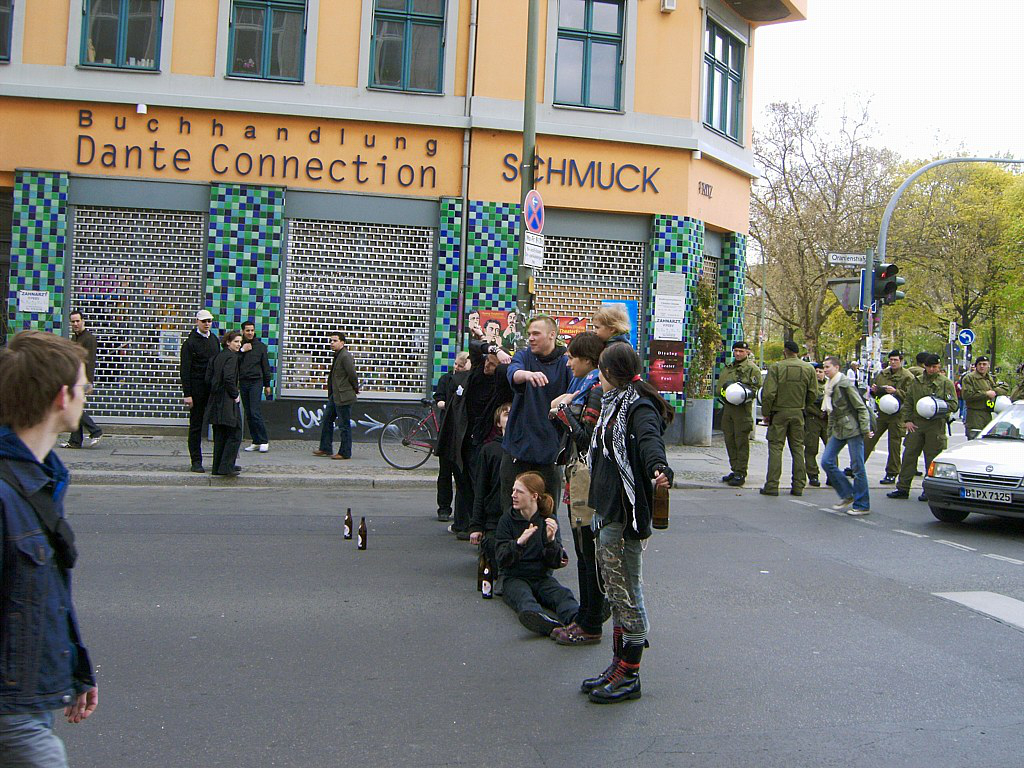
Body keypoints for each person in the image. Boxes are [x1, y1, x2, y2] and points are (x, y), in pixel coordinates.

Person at [0, 331, 98, 765]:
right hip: (10, 716)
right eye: (82, 384)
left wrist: (76, 672)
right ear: (62, 397)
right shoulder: (6, 494)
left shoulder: (41, 480)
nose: (87, 391)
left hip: (33, 702)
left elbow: (43, 597)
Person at [580, 342, 673, 704]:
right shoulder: (613, 403)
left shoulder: (637, 405)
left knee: (626, 592)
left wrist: (658, 468)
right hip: (606, 508)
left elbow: (651, 442)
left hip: (624, 512)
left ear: (609, 372)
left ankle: (629, 673)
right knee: (615, 590)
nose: (596, 377)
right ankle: (618, 663)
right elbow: (599, 447)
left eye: (599, 370)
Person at [548, 331, 606, 646]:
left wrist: (564, 411)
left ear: (588, 360)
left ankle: (591, 621)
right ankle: (587, 616)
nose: (568, 363)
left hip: (587, 481)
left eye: (572, 357)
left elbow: (585, 438)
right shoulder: (584, 388)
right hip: (579, 477)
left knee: (588, 553)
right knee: (585, 552)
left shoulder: (594, 391)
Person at [500, 316, 572, 512]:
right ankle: (511, 542)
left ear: (552, 335)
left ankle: (548, 542)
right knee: (511, 507)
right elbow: (513, 372)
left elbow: (576, 392)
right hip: (518, 447)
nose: (530, 338)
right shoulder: (524, 357)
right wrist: (527, 375)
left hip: (549, 450)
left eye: (536, 334)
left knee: (546, 510)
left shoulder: (566, 363)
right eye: (529, 334)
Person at [494, 472, 578, 636]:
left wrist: (550, 540)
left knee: (562, 595)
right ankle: (540, 621)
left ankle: (578, 618)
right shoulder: (507, 520)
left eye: (519, 492)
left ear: (534, 496)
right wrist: (518, 543)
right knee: (523, 598)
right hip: (514, 577)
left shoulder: (548, 519)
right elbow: (501, 559)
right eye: (513, 491)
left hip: (541, 576)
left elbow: (555, 562)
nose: (513, 495)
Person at [887, 354, 958, 502]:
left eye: (936, 367)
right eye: (930, 366)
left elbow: (953, 405)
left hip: (935, 424)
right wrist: (906, 420)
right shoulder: (916, 382)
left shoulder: (945, 383)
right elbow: (908, 402)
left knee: (932, 458)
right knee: (909, 456)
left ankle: (929, 490)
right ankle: (903, 488)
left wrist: (937, 406)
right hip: (916, 424)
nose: (933, 369)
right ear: (925, 366)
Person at [760, 340, 816, 496]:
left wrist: (766, 412)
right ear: (797, 352)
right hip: (798, 412)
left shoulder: (777, 367)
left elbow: (769, 393)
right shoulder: (808, 368)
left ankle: (772, 485)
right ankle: (798, 486)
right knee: (798, 448)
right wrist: (803, 405)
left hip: (779, 413)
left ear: (785, 351)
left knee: (776, 448)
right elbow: (813, 393)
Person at [818, 356, 873, 515]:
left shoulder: (844, 384)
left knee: (857, 466)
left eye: (828, 367)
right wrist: (830, 434)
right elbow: (831, 413)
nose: (825, 369)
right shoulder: (829, 386)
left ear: (837, 367)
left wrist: (864, 429)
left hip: (853, 428)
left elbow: (861, 407)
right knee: (827, 461)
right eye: (824, 367)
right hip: (838, 429)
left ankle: (862, 504)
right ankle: (847, 493)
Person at [469, 403, 512, 570]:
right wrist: (476, 526)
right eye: (506, 414)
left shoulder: (525, 449)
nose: (511, 417)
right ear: (498, 422)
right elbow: (480, 489)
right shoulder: (489, 450)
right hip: (493, 518)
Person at [864, 349, 915, 483]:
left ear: (901, 361)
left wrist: (896, 392)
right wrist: (875, 391)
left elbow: (911, 396)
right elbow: (874, 392)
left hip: (898, 414)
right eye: (891, 360)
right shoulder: (882, 374)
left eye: (896, 360)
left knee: (894, 444)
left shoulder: (907, 376)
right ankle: (857, 465)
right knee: (869, 437)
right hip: (882, 412)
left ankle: (892, 472)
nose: (893, 362)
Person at [180, 309, 222, 473]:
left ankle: (220, 461)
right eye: (204, 321)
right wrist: (187, 394)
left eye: (209, 321)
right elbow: (185, 370)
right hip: (197, 389)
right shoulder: (190, 343)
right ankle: (196, 461)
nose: (207, 324)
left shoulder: (213, 340)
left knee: (218, 425)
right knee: (196, 425)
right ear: (197, 321)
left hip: (212, 388)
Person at [717, 340, 762, 487]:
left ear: (747, 352)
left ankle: (741, 472)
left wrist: (742, 392)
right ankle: (734, 468)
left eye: (741, 351)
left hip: (742, 410)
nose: (737, 354)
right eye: (735, 351)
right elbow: (721, 387)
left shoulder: (751, 369)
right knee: (730, 440)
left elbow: (756, 389)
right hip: (728, 408)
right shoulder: (729, 367)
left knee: (741, 442)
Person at [433, 351, 470, 522]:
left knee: (461, 475)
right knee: (445, 472)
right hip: (447, 430)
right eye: (456, 364)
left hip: (462, 433)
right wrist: (443, 403)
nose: (456, 368)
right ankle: (444, 508)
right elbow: (438, 398)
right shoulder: (446, 379)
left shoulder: (469, 380)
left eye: (460, 366)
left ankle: (462, 513)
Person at [313, 332, 359, 460]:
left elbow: (352, 375)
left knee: (344, 425)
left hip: (344, 396)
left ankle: (345, 452)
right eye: (331, 341)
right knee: (327, 420)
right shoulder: (337, 355)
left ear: (342, 343)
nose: (332, 343)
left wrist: (355, 388)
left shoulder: (345, 356)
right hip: (336, 395)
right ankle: (325, 448)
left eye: (334, 341)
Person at [64, 310, 103, 449]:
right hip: (74, 378)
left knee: (74, 407)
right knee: (75, 407)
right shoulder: (74, 338)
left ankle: (95, 431)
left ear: (83, 321)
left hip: (82, 379)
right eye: (73, 321)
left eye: (77, 321)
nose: (75, 324)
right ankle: (75, 441)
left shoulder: (89, 339)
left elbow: (91, 361)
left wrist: (89, 382)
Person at [207, 330, 244, 476]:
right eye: (236, 341)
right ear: (228, 342)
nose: (238, 345)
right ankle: (226, 466)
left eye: (240, 342)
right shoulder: (231, 357)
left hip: (216, 399)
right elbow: (229, 378)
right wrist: (235, 395)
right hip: (227, 400)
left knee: (220, 435)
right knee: (235, 433)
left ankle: (218, 466)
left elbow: (209, 377)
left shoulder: (218, 356)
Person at [239, 321, 273, 454]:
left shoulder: (260, 347)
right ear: (243, 331)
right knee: (248, 413)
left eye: (252, 330)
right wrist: (242, 351)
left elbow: (265, 366)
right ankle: (255, 441)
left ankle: (264, 440)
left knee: (255, 412)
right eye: (247, 330)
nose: (250, 333)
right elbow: (233, 361)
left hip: (256, 382)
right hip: (243, 382)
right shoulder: (239, 346)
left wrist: (267, 384)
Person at [961, 356, 1008, 439]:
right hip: (975, 415)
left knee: (987, 441)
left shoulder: (989, 378)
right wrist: (985, 394)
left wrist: (995, 392)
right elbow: (966, 395)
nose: (982, 366)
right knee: (975, 440)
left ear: (988, 365)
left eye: (984, 364)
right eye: (979, 364)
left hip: (987, 413)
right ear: (976, 366)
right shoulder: (969, 378)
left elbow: (1003, 388)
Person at [803, 362, 828, 487]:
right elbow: (806, 403)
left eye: (820, 371)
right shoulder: (809, 385)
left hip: (827, 420)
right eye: (816, 371)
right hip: (813, 418)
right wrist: (818, 412)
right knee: (811, 448)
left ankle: (832, 475)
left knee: (831, 447)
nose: (818, 374)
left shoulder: (830, 384)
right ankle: (813, 474)